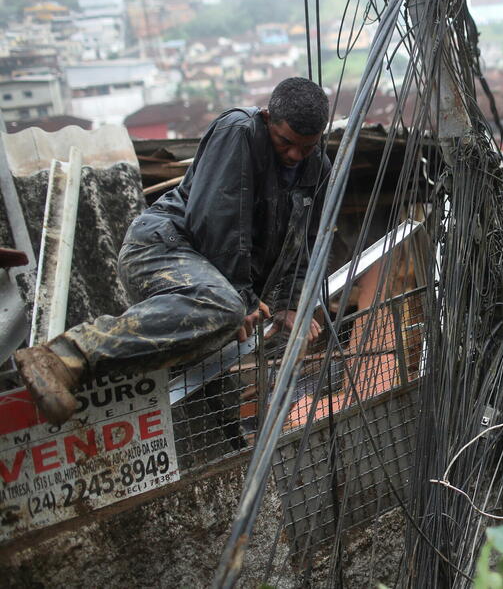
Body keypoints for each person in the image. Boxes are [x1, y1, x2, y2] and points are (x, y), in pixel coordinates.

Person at [16, 77, 332, 424]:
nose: (294, 155)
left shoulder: (317, 168)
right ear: (268, 117)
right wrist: (243, 299)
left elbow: (305, 244)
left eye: (307, 147)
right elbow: (218, 221)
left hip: (217, 281)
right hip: (160, 247)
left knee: (211, 394)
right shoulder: (239, 131)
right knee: (224, 309)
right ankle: (62, 357)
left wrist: (289, 303)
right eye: (286, 142)